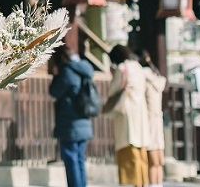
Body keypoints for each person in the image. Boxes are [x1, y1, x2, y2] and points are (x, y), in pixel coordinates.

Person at [48, 44, 94, 187]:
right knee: (79, 158)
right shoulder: (84, 68)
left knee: (70, 157)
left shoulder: (67, 71)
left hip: (70, 122)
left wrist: (56, 75)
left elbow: (54, 91)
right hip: (83, 120)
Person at [104, 45, 149, 187]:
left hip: (127, 110)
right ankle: (142, 182)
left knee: (127, 147)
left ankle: (129, 182)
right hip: (140, 110)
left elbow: (113, 91)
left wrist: (113, 75)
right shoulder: (138, 67)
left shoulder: (122, 68)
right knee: (140, 148)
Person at [138, 50, 167, 187]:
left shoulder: (142, 76)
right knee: (158, 162)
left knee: (150, 160)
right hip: (157, 119)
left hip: (147, 119)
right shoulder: (156, 75)